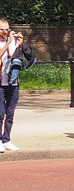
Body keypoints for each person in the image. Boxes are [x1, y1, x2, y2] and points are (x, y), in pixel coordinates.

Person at [0, 20, 35, 152]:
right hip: (0, 83)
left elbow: (31, 58)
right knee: (0, 113)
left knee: (10, 113)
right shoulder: (6, 43)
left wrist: (22, 44)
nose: (5, 32)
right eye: (2, 30)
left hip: (13, 83)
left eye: (7, 29)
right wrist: (7, 44)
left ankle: (7, 139)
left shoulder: (15, 43)